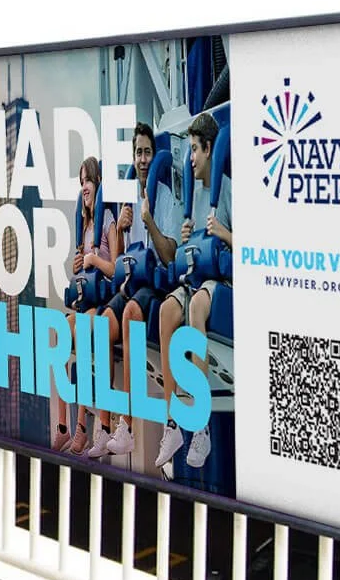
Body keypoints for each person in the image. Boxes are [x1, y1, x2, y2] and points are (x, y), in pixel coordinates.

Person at [88, 122, 180, 459]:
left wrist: (148, 220)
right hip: (132, 283)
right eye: (138, 153)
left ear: (154, 156)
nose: (143, 159)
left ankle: (127, 425)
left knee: (129, 313)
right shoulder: (127, 200)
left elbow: (169, 255)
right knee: (101, 326)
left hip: (156, 285)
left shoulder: (166, 197)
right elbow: (123, 261)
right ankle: (105, 425)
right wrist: (123, 230)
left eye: (147, 152)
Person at [155, 111, 233, 470]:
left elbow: (252, 251)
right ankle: (172, 422)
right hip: (194, 278)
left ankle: (201, 425)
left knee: (197, 306)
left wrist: (223, 233)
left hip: (220, 282)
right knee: (167, 311)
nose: (190, 158)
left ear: (209, 149)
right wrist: (187, 238)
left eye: (195, 151)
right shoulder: (189, 201)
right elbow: (180, 257)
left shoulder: (228, 191)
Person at [54, 156, 117, 454]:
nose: (85, 187)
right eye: (81, 183)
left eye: (88, 180)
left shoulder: (108, 221)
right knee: (60, 334)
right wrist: (79, 263)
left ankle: (82, 426)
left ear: (98, 182)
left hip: (101, 300)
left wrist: (94, 260)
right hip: (84, 298)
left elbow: (115, 268)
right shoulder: (85, 225)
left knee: (81, 331)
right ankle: (62, 426)